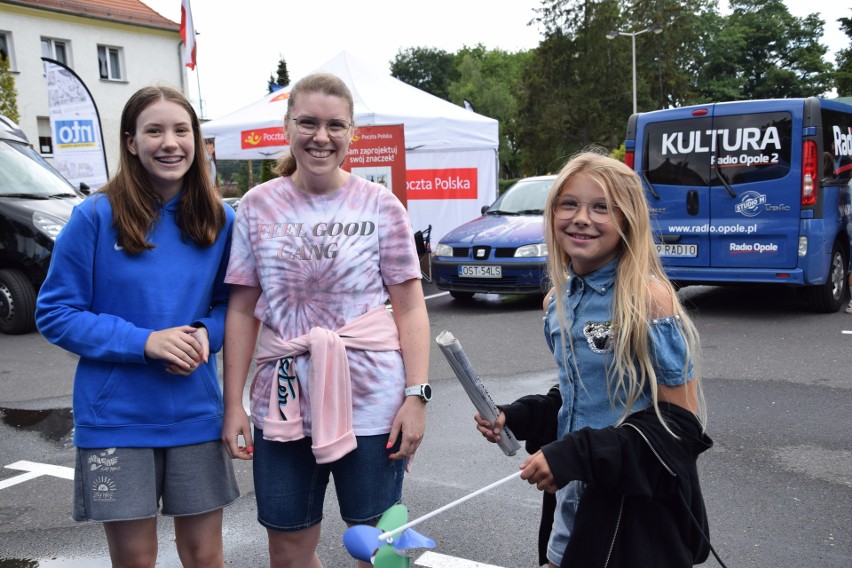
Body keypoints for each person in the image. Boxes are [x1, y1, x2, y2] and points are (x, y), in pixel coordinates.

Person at [221, 72, 430, 568]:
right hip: (283, 401)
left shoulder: (381, 205)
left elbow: (410, 306)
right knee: (289, 550)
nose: (321, 136)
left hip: (373, 400)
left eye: (336, 125)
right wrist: (233, 405)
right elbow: (242, 310)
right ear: (286, 126)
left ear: (352, 132)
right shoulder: (256, 206)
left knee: (379, 550)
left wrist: (416, 396)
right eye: (308, 122)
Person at [475, 150, 713, 567]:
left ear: (627, 221)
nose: (581, 217)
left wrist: (579, 453)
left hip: (634, 509)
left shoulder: (648, 299)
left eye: (601, 207)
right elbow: (581, 396)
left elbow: (681, 428)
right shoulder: (556, 301)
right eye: (568, 203)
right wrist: (521, 416)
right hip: (571, 495)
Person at [35, 86, 238, 568]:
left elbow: (236, 306)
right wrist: (145, 342)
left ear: (197, 140)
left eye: (181, 130)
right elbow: (55, 312)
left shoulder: (221, 219)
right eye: (154, 130)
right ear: (130, 142)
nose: (170, 143)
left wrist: (210, 333)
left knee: (205, 556)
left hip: (194, 415)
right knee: (135, 561)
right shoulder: (94, 217)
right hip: (115, 420)